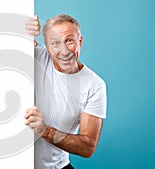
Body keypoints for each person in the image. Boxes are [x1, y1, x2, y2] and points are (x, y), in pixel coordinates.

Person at [24, 14, 107, 169]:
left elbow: (87, 147)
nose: (64, 51)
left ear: (80, 41)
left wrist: (45, 131)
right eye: (55, 43)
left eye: (69, 41)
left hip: (56, 167)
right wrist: (20, 27)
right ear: (47, 47)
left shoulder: (94, 85)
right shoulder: (35, 57)